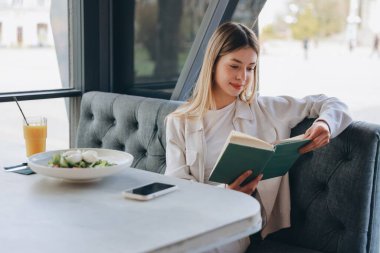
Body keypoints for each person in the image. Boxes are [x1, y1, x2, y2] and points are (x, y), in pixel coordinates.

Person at [165, 22, 352, 253]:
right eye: (234, 66)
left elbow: (332, 103)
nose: (242, 77)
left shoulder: (265, 109)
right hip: (188, 218)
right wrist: (222, 193)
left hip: (232, 222)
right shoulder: (179, 120)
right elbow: (176, 186)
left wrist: (325, 123)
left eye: (251, 68)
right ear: (213, 64)